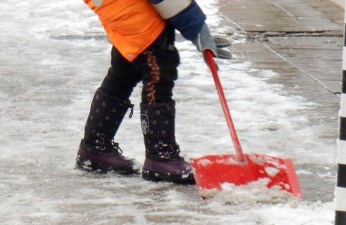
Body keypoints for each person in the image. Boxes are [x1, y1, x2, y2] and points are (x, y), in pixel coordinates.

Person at [76, 0, 230, 184]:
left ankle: (94, 148)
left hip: (120, 11)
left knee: (124, 70)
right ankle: (161, 157)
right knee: (159, 72)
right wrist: (198, 30)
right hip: (137, 18)